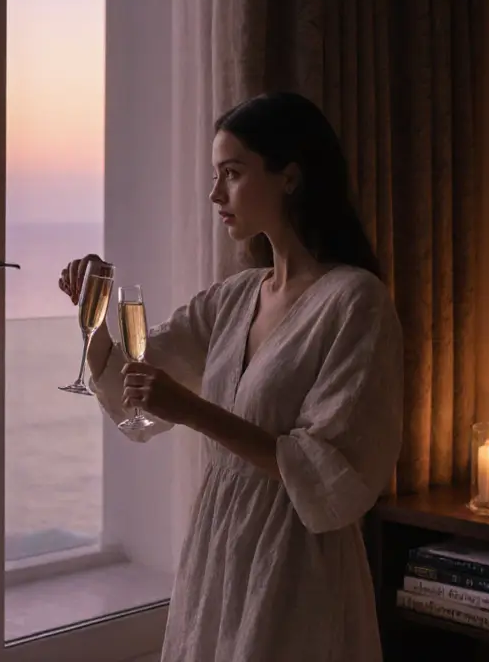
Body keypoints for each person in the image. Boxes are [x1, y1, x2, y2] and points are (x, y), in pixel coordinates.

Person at [57, 91, 403, 662]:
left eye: (233, 174)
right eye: (215, 175)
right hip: (220, 543)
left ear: (289, 177)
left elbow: (334, 475)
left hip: (295, 556)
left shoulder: (354, 302)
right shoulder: (235, 297)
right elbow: (137, 388)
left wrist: (192, 410)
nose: (216, 193)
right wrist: (91, 319)